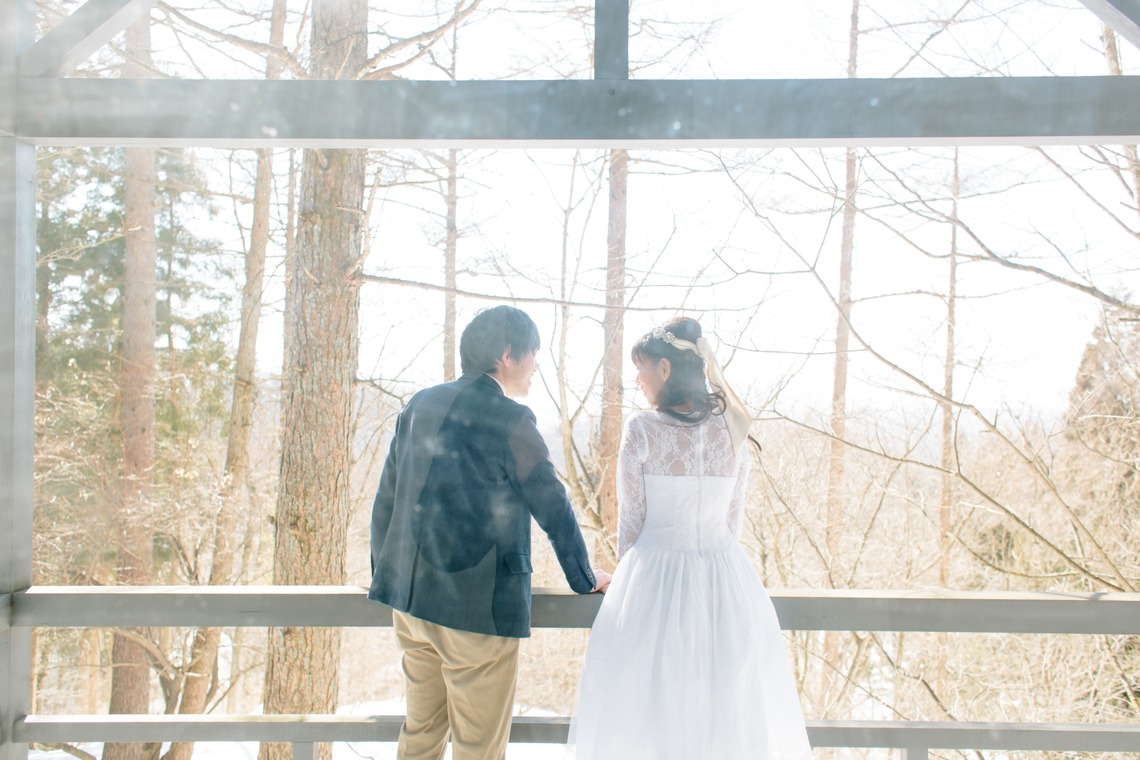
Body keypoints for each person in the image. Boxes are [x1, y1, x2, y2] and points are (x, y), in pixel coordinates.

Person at [368, 305, 612, 760]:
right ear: (507, 354)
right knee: (478, 750)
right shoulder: (510, 419)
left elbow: (387, 497)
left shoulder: (420, 404)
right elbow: (552, 504)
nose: (536, 364)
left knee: (420, 735)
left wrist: (387, 575)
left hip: (411, 603)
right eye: (533, 353)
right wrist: (584, 577)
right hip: (476, 612)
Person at [568, 316, 813, 760]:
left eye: (641, 368)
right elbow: (732, 524)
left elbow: (632, 522)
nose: (637, 379)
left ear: (664, 368)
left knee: (648, 715)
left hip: (653, 581)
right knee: (726, 712)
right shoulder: (732, 428)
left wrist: (626, 582)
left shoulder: (642, 429)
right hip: (726, 585)